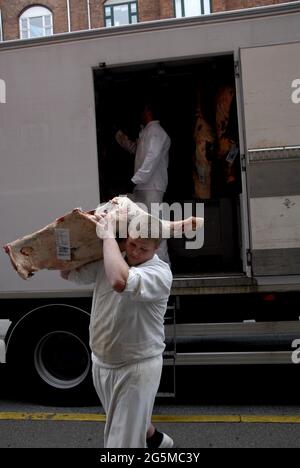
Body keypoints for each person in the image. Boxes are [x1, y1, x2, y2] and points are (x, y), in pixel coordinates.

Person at [60, 212, 174, 448]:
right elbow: (67, 272)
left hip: (136, 366)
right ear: (127, 238)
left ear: (155, 250)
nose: (134, 251)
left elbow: (119, 281)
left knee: (121, 441)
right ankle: (156, 441)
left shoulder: (160, 273)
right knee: (126, 421)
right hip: (102, 361)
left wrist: (108, 236)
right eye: (132, 243)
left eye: (143, 249)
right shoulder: (112, 257)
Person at [115, 101, 171, 264]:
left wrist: (135, 180)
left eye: (143, 109)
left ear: (148, 110)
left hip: (151, 186)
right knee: (145, 225)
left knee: (154, 226)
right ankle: (150, 262)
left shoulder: (156, 132)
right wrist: (120, 136)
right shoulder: (147, 132)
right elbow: (136, 150)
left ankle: (162, 263)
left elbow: (151, 160)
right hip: (145, 186)